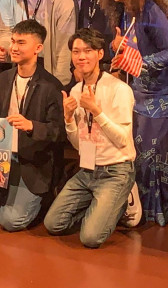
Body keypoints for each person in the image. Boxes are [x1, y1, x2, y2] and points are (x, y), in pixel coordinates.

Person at [105, 0, 168, 225]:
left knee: (153, 149)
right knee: (147, 147)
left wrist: (141, 63)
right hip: (145, 87)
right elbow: (129, 48)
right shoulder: (125, 12)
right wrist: (118, 49)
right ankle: (162, 205)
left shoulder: (152, 10)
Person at [0, 20, 64, 232]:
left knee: (11, 222)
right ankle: (4, 201)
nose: (14, 48)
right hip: (3, 156)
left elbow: (57, 132)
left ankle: (13, 202)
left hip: (32, 162)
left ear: (38, 48)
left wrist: (31, 126)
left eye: (21, 42)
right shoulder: (4, 78)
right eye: (13, 41)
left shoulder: (51, 85)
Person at [44, 29, 137, 248]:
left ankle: (119, 201)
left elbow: (123, 139)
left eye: (88, 51)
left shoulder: (119, 89)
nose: (81, 56)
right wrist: (68, 119)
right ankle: (102, 208)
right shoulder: (76, 90)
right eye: (76, 51)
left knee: (90, 238)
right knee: (53, 224)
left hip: (115, 171)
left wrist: (96, 111)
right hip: (87, 169)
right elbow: (79, 144)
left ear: (100, 54)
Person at [0, 0, 76, 85]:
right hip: (20, 65)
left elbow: (64, 45)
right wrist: (5, 47)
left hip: (48, 64)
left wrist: (60, 83)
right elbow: (6, 30)